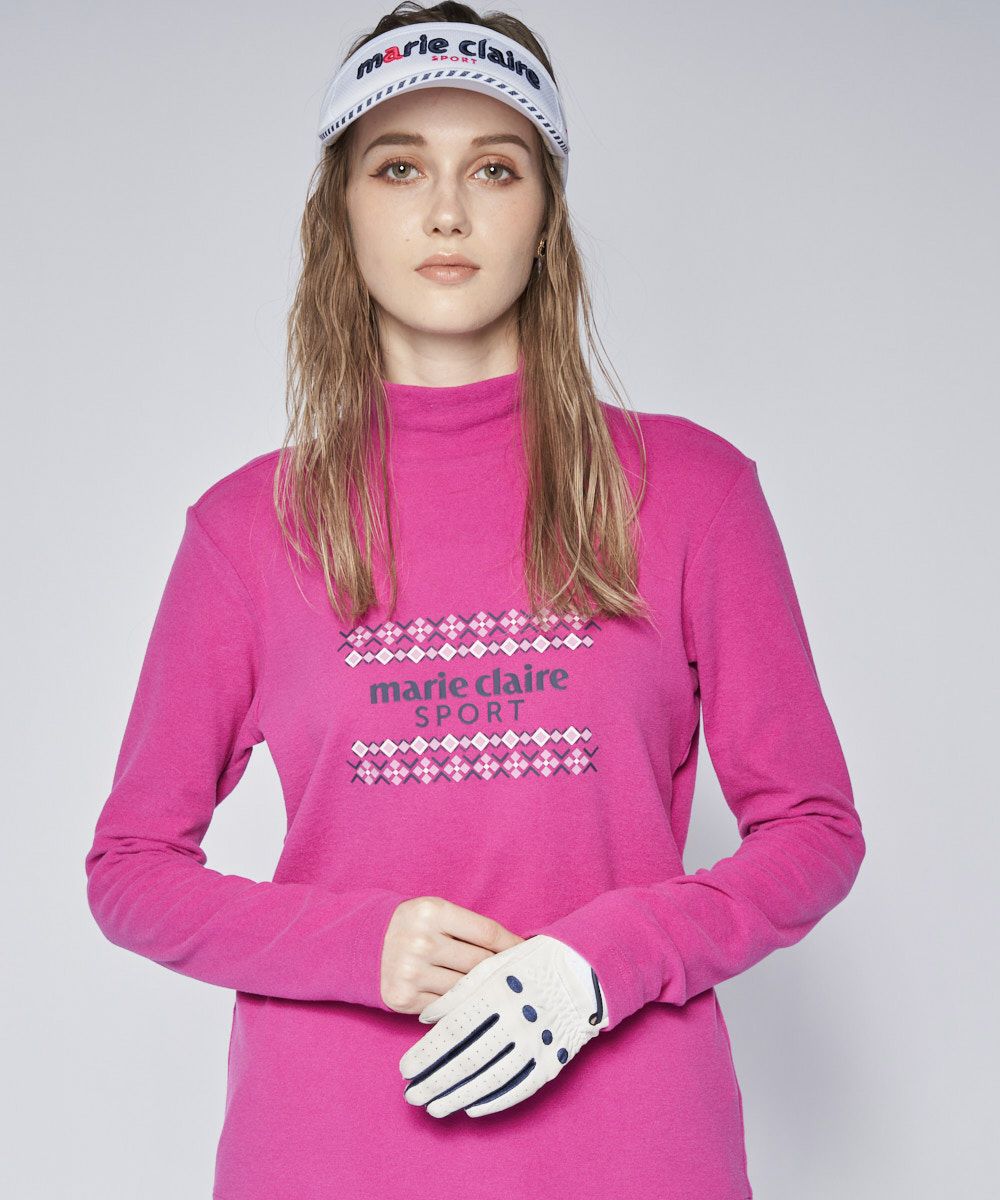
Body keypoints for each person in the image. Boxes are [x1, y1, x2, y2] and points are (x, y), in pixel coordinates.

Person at [84, 3, 866, 1198]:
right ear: (340, 212)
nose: (446, 211)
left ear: (545, 215)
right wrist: (360, 947)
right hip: (330, 1154)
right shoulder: (248, 529)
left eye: (494, 168)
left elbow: (812, 829)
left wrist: (603, 963)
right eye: (399, 167)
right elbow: (130, 867)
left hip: (633, 1151)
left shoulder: (692, 492)